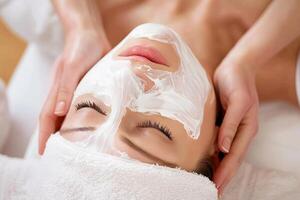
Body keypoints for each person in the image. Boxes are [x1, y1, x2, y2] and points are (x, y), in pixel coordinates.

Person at [38, 0, 300, 192]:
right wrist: (247, 60)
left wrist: (80, 26)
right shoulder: (289, 68)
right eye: (156, 128)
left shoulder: (60, 13)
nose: (129, 78)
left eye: (90, 106)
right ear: (215, 150)